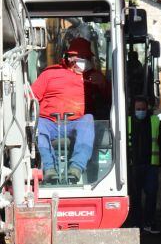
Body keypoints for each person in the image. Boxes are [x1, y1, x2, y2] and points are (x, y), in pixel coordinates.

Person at [31, 36, 109, 184]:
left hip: (76, 122)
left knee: (88, 119)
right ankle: (49, 169)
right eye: (81, 57)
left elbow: (111, 99)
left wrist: (103, 85)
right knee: (38, 125)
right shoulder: (49, 74)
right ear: (71, 57)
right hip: (49, 122)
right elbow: (31, 97)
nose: (84, 60)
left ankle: (76, 168)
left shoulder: (94, 77)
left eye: (87, 57)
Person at [127, 96, 161, 234]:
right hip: (133, 165)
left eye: (142, 109)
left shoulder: (155, 122)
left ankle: (149, 223)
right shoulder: (127, 122)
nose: (140, 111)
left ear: (147, 109)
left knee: (151, 195)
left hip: (151, 165)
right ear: (133, 109)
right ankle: (135, 223)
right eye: (138, 109)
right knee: (135, 196)